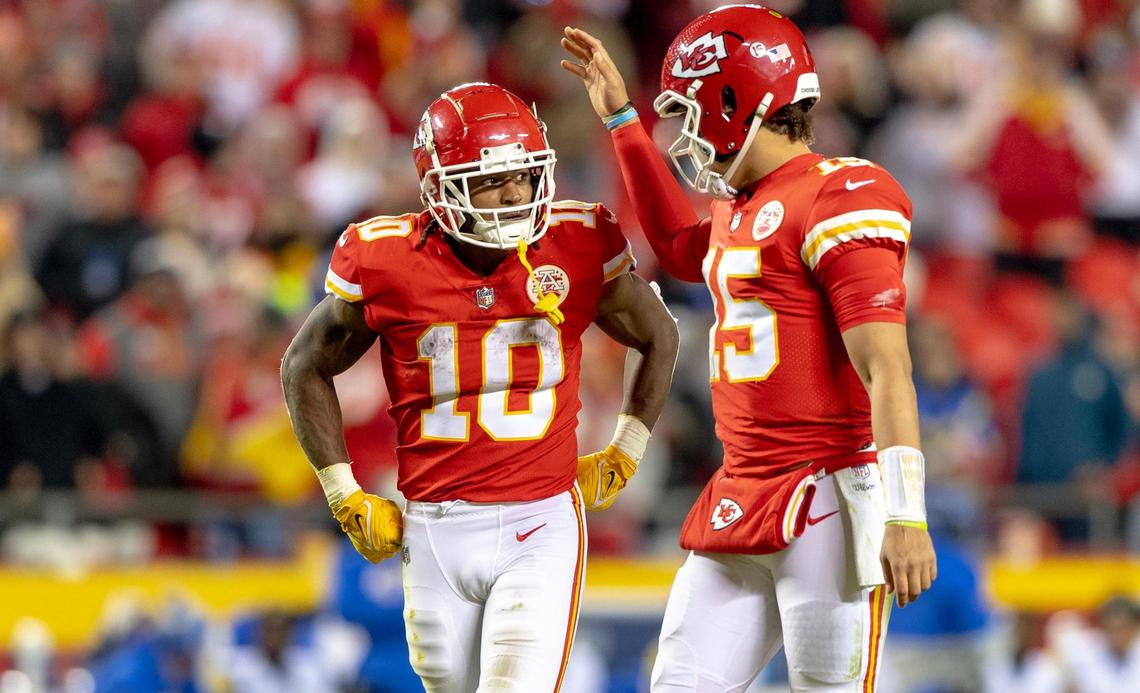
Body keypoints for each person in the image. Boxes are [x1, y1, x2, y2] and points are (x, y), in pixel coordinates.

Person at [561, 6, 936, 691]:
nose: (685, 133)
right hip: (743, 485)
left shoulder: (839, 193)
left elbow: (887, 367)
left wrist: (906, 511)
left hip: (826, 492)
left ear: (735, 101)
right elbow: (678, 248)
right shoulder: (742, 201)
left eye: (691, 112)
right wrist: (623, 123)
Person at [281, 82, 679, 692]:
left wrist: (627, 448)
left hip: (539, 521)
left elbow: (659, 334)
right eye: (490, 180)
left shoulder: (576, 241)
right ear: (439, 187)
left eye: (523, 174)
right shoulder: (386, 259)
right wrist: (342, 490)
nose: (515, 193)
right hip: (431, 527)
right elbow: (304, 365)